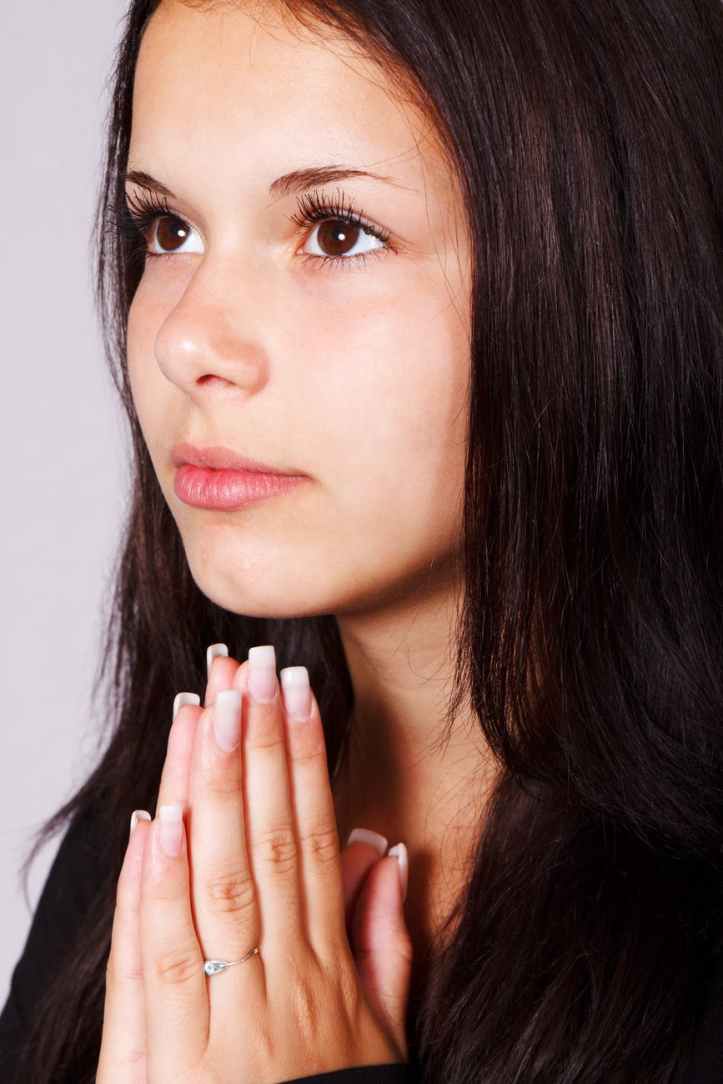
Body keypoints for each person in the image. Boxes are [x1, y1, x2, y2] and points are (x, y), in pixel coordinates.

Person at [1, 0, 722, 1080]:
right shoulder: (165, 832)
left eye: (337, 232)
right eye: (168, 228)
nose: (189, 339)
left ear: (610, 260)